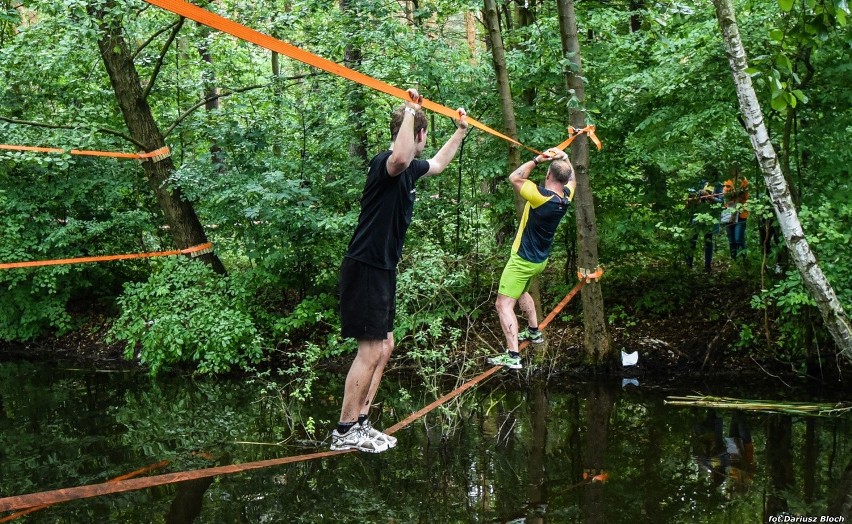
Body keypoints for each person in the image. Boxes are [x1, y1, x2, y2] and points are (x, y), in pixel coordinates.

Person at [331, 88, 469, 453]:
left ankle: (361, 422)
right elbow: (401, 155)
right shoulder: (387, 164)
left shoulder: (410, 170)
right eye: (424, 136)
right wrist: (412, 110)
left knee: (386, 345)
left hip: (383, 269)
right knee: (371, 348)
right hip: (365, 267)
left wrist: (460, 131)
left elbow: (437, 164)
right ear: (419, 134)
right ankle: (344, 432)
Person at [487, 147, 575, 369]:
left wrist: (538, 159)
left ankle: (512, 355)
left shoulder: (541, 197)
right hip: (539, 261)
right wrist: (565, 158)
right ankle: (534, 332)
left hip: (522, 260)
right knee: (521, 291)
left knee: (503, 304)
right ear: (563, 180)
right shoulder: (566, 197)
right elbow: (572, 178)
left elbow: (515, 177)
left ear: (548, 175)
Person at [685, 179, 723, 272]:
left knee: (708, 242)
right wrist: (693, 199)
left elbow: (720, 202)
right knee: (692, 240)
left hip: (710, 217)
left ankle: (708, 266)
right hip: (696, 215)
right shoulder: (699, 182)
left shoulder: (718, 185)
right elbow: (690, 197)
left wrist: (709, 197)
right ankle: (688, 264)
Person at [722, 176, 749, 260]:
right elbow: (725, 195)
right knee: (731, 240)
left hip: (741, 214)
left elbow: (743, 195)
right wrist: (730, 193)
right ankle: (734, 260)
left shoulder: (743, 180)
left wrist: (737, 195)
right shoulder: (727, 180)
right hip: (728, 213)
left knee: (738, 239)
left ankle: (744, 260)